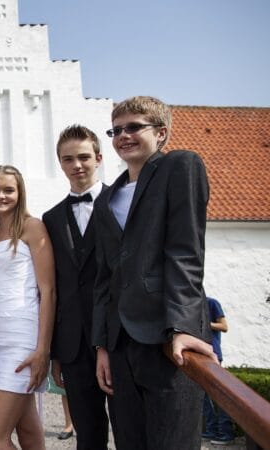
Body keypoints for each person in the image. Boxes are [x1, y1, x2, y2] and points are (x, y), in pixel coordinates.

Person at [92, 96, 217, 450]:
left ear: (161, 133)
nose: (123, 136)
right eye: (116, 130)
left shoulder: (180, 166)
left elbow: (185, 252)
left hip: (165, 336)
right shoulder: (107, 199)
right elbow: (105, 277)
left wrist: (183, 327)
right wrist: (103, 345)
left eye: (134, 127)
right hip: (120, 344)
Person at [42, 125, 115, 450]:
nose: (77, 165)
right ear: (60, 163)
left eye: (84, 157)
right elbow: (54, 285)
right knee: (88, 434)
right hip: (73, 345)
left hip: (119, 338)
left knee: (129, 427)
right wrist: (57, 353)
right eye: (68, 159)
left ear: (98, 158)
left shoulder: (124, 203)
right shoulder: (51, 218)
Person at [0, 165, 55, 450]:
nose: (1, 196)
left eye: (8, 190)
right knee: (28, 430)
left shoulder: (33, 227)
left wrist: (43, 349)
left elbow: (48, 291)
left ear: (20, 193)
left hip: (23, 337)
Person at [202, 296, 234, 445]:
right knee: (203, 397)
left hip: (212, 354)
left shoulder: (212, 303)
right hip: (198, 355)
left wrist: (204, 324)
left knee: (219, 394)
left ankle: (225, 433)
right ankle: (211, 431)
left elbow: (224, 327)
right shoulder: (191, 306)